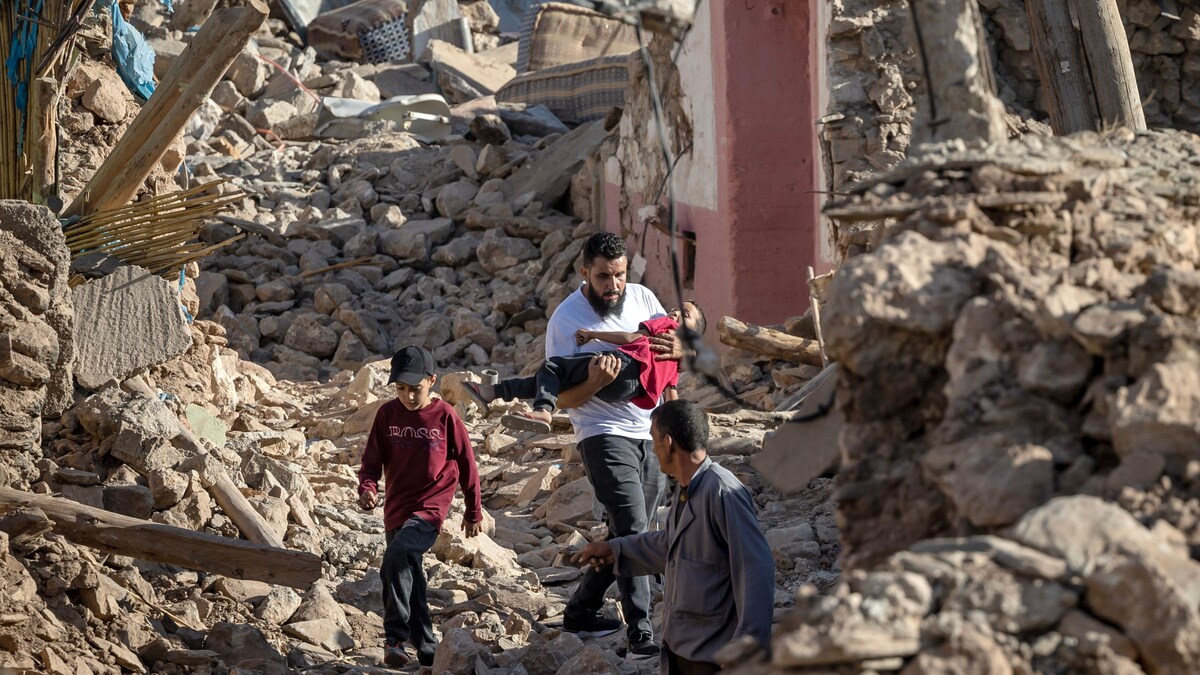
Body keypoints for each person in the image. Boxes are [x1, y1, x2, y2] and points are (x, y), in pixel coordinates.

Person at [533, 232, 683, 657]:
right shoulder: (566, 320)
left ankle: (580, 612)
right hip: (600, 432)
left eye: (618, 275)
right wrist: (596, 381)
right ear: (585, 273)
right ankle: (641, 633)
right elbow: (561, 398)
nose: (612, 285)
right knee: (636, 526)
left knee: (628, 531)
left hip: (649, 430)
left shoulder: (643, 298)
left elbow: (668, 361)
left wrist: (672, 420)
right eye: (603, 276)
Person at [572, 400, 776, 675]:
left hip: (714, 653)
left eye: (654, 441)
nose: (653, 450)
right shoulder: (687, 489)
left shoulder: (722, 491)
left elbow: (755, 566)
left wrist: (749, 644)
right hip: (682, 645)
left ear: (668, 443)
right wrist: (614, 549)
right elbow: (672, 545)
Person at [357, 345, 485, 668]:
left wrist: (473, 511)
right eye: (401, 389)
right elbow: (372, 461)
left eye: (415, 389)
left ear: (432, 380)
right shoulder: (387, 415)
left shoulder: (444, 417)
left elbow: (468, 464)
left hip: (430, 507)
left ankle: (394, 637)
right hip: (396, 508)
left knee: (397, 556)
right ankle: (427, 648)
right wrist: (368, 488)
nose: (408, 397)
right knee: (408, 575)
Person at [463, 301, 707, 434]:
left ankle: (542, 411)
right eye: (675, 308)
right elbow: (671, 396)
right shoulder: (675, 362)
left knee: (552, 367)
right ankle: (491, 393)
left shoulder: (665, 326)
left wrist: (593, 334)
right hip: (625, 393)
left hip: (622, 366)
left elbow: (631, 338)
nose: (674, 312)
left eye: (684, 314)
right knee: (552, 383)